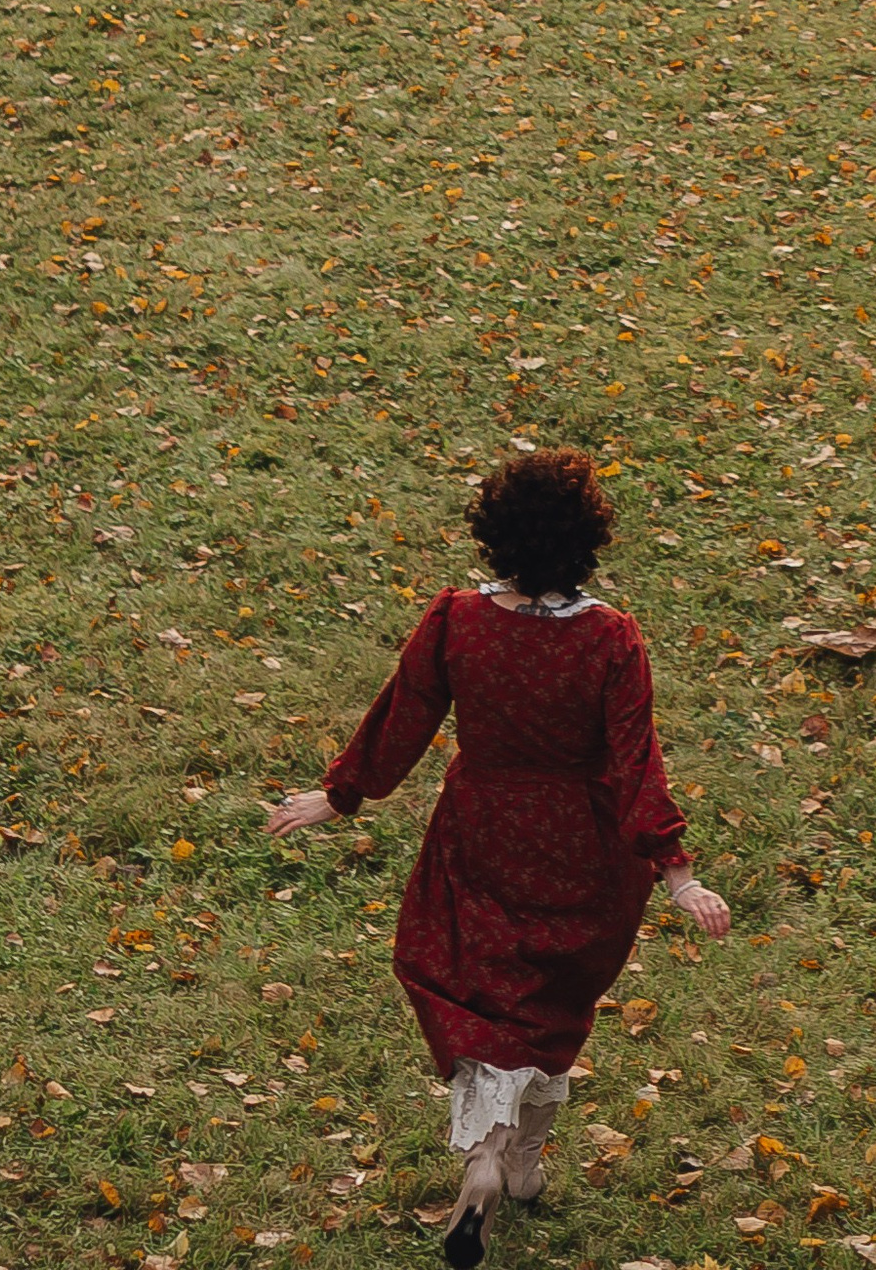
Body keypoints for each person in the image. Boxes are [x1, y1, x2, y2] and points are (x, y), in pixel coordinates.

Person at [263, 445, 729, 1263]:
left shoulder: (457, 618)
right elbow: (635, 763)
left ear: (493, 532)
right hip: (581, 847)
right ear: (588, 537)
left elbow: (403, 715)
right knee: (548, 1009)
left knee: (481, 1002)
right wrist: (676, 872)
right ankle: (523, 1162)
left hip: (481, 829)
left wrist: (337, 797)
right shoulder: (613, 640)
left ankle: (489, 1153)